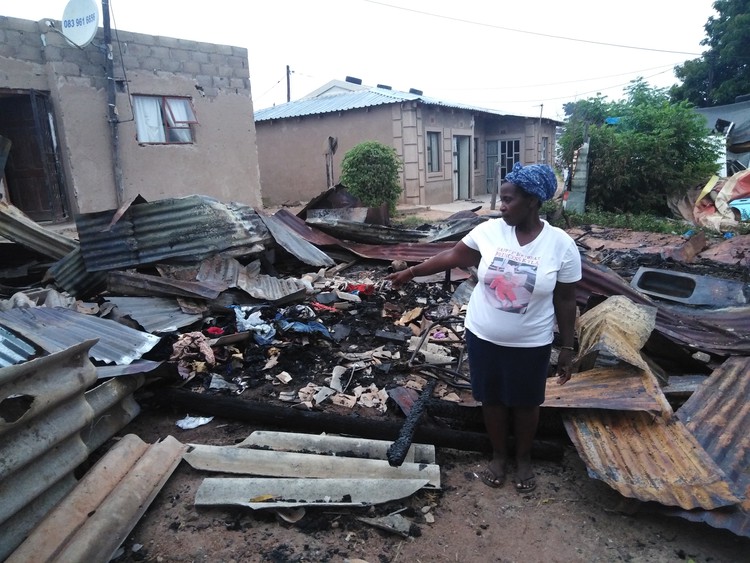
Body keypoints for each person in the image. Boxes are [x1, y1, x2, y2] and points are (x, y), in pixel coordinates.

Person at [387, 162, 581, 493]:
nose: (501, 207)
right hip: (484, 336)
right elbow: (452, 255)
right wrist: (411, 272)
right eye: (501, 199)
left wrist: (567, 346)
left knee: (526, 403)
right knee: (491, 399)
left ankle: (523, 458)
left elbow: (565, 300)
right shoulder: (490, 232)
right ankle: (499, 455)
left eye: (508, 200)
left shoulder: (560, 245)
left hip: (530, 343)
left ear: (532, 201)